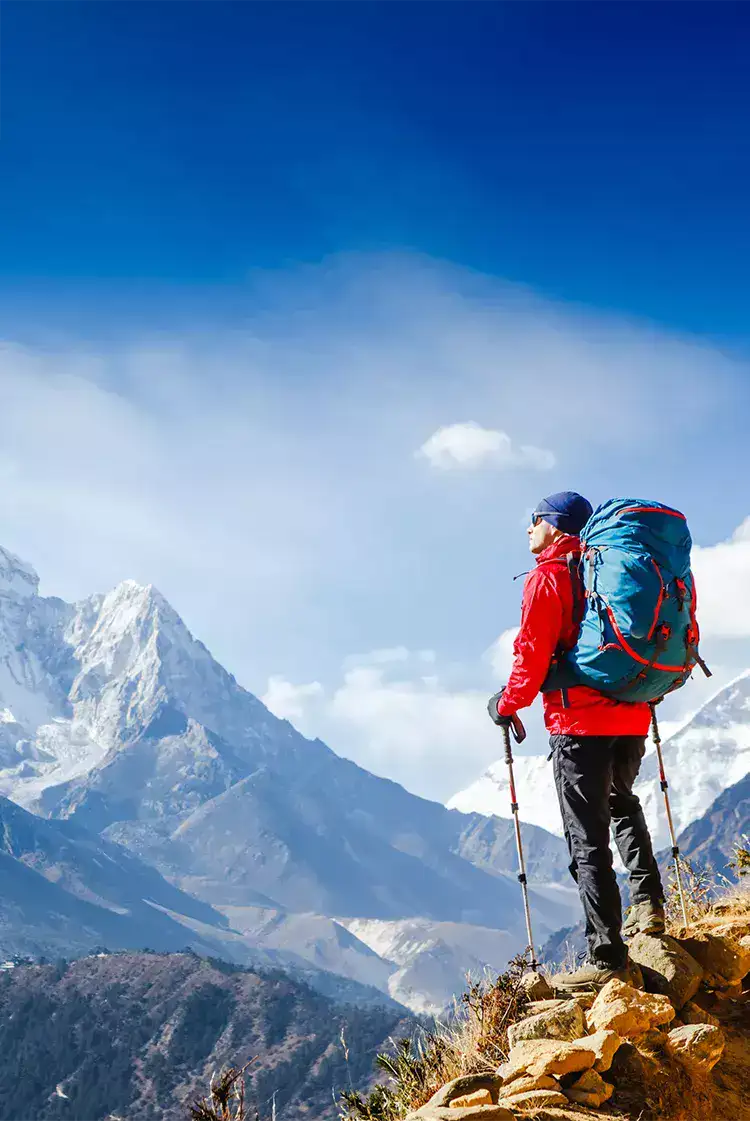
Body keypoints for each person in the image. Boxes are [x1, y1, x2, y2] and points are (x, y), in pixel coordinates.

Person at [488, 490, 665, 991]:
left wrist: (506, 704)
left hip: (579, 724)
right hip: (631, 716)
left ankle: (606, 955)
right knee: (622, 801)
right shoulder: (609, 570)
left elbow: (531, 653)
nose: (529, 528)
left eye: (535, 519)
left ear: (555, 525)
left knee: (587, 838)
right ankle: (649, 904)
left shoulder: (550, 576)